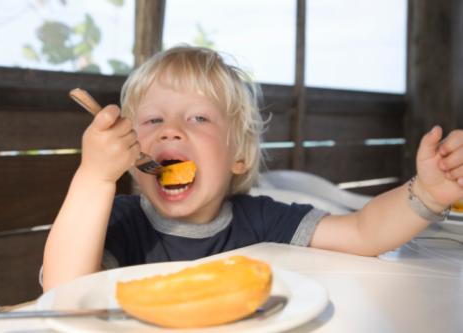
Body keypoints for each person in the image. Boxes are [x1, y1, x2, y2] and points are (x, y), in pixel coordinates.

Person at [42, 46, 463, 291]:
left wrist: (427, 194)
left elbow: (363, 232)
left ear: (238, 156)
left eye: (198, 119)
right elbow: (64, 288)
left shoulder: (261, 218)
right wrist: (95, 177)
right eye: (153, 121)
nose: (170, 131)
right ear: (132, 154)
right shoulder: (118, 223)